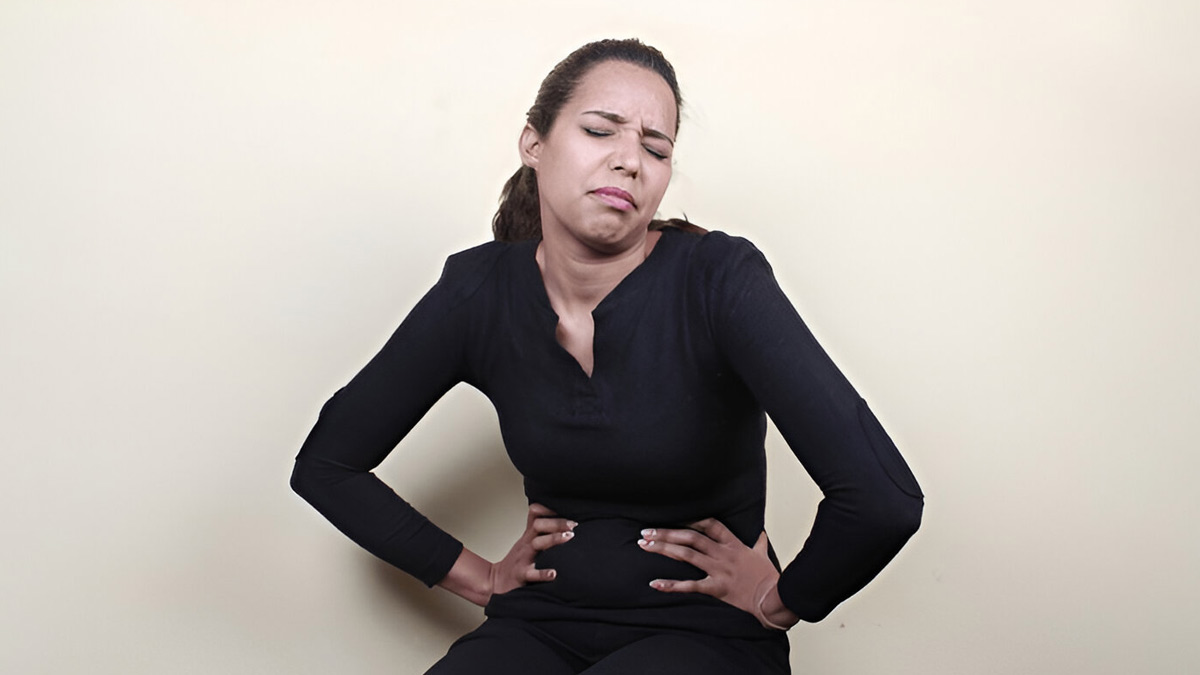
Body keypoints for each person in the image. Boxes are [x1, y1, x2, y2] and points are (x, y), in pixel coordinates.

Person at [291, 38, 923, 674]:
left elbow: (882, 499)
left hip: (706, 635)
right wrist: (481, 578)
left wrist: (781, 599)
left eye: (656, 149)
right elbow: (328, 465)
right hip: (538, 624)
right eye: (600, 131)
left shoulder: (718, 280)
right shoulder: (478, 292)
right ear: (534, 144)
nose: (629, 161)